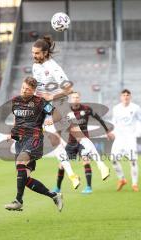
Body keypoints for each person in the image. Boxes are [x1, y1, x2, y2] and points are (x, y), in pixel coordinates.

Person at [32, 35, 110, 185]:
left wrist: (51, 96)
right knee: (54, 142)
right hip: (45, 108)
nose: (33, 55)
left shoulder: (53, 67)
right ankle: (72, 176)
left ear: (45, 53)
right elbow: (40, 89)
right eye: (33, 52)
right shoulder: (36, 66)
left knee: (78, 135)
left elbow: (69, 89)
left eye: (36, 53)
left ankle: (101, 165)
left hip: (59, 105)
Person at [5, 77, 63, 211]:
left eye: (28, 89)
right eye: (23, 88)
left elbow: (57, 114)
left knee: (20, 163)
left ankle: (18, 201)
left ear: (34, 91)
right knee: (24, 178)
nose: (24, 91)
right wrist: (12, 134)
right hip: (20, 141)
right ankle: (54, 196)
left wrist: (50, 120)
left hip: (34, 138)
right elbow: (17, 120)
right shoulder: (15, 101)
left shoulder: (40, 101)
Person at [53, 92, 110, 194]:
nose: (75, 99)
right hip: (71, 141)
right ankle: (58, 187)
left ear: (79, 98)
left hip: (84, 140)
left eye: (77, 97)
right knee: (62, 164)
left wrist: (107, 130)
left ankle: (88, 187)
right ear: (71, 99)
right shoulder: (66, 112)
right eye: (74, 97)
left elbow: (99, 119)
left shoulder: (86, 109)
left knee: (85, 160)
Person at [107, 89, 141, 192]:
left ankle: (134, 184)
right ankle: (122, 179)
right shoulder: (116, 108)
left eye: (127, 95)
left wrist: (137, 132)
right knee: (113, 159)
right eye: (124, 95)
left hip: (130, 138)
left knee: (133, 161)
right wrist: (111, 132)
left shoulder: (135, 108)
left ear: (130, 97)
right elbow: (114, 122)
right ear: (121, 97)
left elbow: (140, 120)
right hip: (119, 138)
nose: (125, 97)